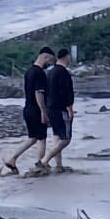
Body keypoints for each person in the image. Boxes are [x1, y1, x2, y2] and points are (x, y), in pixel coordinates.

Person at [1, 47, 54, 176]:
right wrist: (43, 111)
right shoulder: (39, 73)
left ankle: (12, 159)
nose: (49, 64)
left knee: (33, 138)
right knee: (41, 138)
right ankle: (40, 165)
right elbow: (38, 93)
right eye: (50, 61)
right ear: (45, 57)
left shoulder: (29, 71)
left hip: (28, 109)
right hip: (36, 109)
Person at [42, 43, 75, 173]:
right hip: (60, 108)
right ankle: (44, 161)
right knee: (65, 139)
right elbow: (66, 92)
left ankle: (58, 165)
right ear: (66, 57)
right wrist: (70, 109)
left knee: (57, 136)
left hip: (50, 108)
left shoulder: (50, 72)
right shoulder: (63, 73)